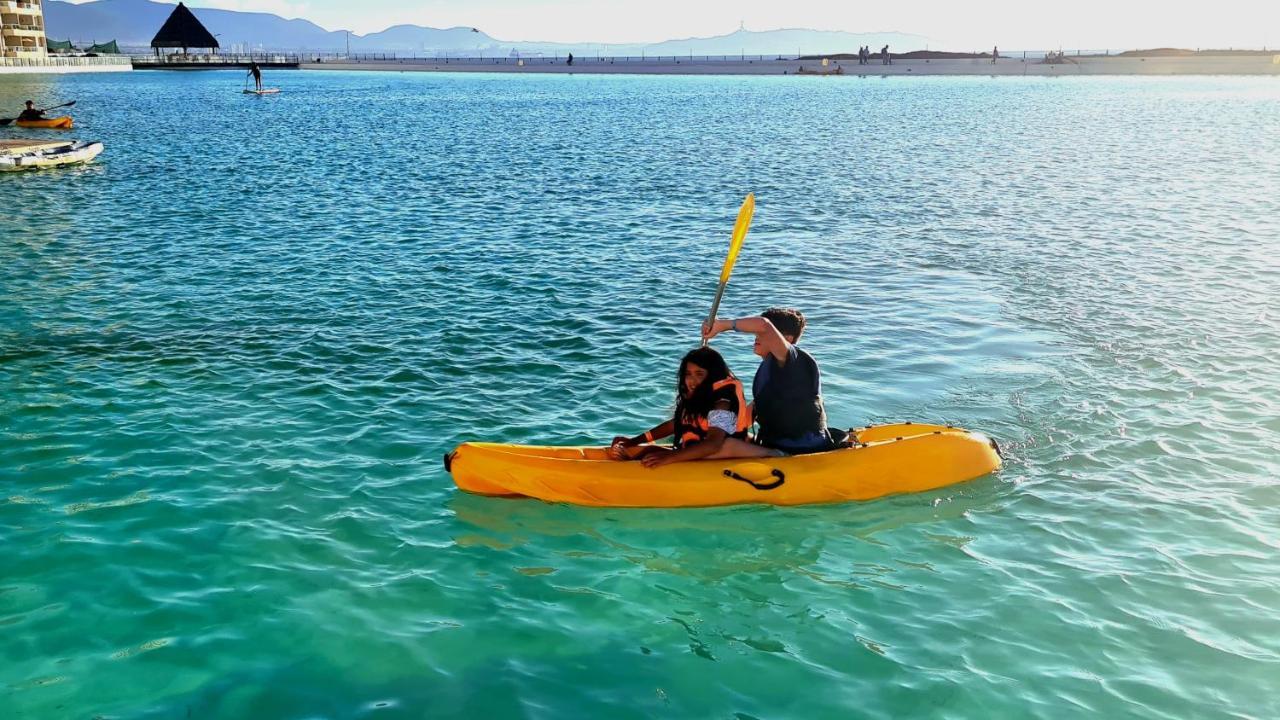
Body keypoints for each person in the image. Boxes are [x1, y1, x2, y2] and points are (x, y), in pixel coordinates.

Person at [608, 346, 777, 469]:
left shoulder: (723, 402)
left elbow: (714, 444)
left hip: (722, 450)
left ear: (713, 376)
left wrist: (670, 457)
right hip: (702, 449)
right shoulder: (696, 396)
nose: (691, 380)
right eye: (688, 374)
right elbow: (677, 424)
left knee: (726, 445)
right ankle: (630, 467)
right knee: (651, 450)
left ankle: (777, 456)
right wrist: (635, 441)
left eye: (699, 374)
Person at [703, 308, 834, 454]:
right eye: (757, 333)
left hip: (802, 448)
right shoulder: (769, 370)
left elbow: (763, 324)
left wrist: (721, 325)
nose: (757, 336)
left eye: (763, 334)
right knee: (720, 440)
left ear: (787, 340)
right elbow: (745, 419)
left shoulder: (796, 361)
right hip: (772, 444)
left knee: (727, 446)